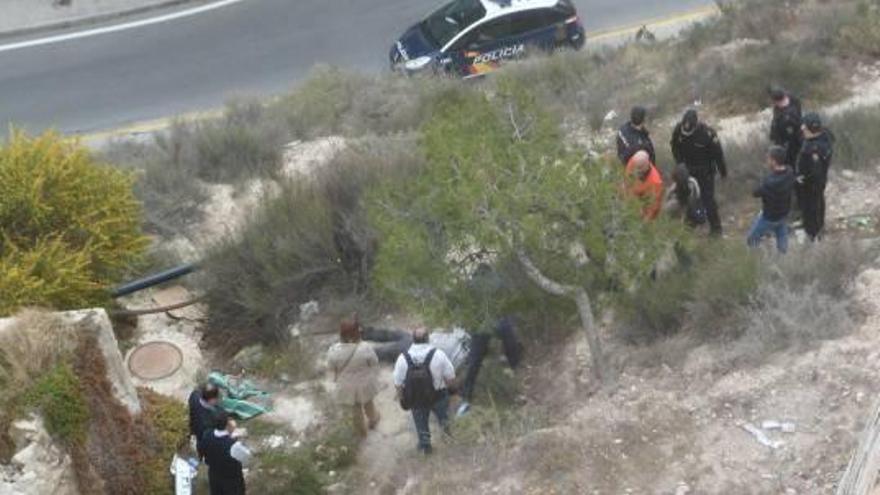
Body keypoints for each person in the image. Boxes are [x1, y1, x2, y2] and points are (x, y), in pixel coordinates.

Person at [393, 327, 456, 455]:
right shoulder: (438, 354)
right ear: (428, 338)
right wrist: (451, 391)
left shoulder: (403, 358)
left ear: (413, 339)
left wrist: (402, 399)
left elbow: (398, 383)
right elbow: (450, 377)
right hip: (438, 396)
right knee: (443, 419)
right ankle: (448, 439)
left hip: (416, 399)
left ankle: (425, 447)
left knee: (421, 425)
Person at [671, 109, 727, 235]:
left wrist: (723, 172)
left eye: (689, 130)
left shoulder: (707, 134)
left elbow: (718, 155)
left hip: (705, 172)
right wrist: (680, 164)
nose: (686, 132)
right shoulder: (679, 130)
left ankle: (716, 229)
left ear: (696, 125)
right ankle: (690, 224)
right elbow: (674, 146)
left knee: (708, 200)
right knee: (686, 198)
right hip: (687, 171)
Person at [327, 318, 381, 438]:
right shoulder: (365, 347)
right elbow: (374, 363)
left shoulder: (333, 351)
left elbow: (331, 368)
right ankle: (373, 420)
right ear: (356, 333)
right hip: (365, 384)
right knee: (368, 404)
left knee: (355, 411)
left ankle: (361, 432)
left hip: (346, 386)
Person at [747, 146, 795, 254]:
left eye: (768, 159)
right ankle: (783, 258)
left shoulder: (769, 182)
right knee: (781, 236)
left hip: (769, 217)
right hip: (783, 213)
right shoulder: (790, 172)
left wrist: (758, 182)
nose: (767, 161)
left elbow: (755, 193)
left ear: (774, 161)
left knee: (751, 239)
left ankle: (758, 260)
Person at [796, 112, 834, 241]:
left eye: (804, 126)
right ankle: (818, 228)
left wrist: (802, 179)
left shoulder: (814, 150)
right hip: (818, 182)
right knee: (818, 204)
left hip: (811, 185)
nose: (802, 128)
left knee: (811, 209)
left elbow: (815, 173)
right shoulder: (825, 137)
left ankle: (813, 234)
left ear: (811, 129)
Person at [202, 411, 252, 495]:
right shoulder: (233, 446)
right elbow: (247, 458)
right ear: (227, 424)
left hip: (214, 477)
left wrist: (231, 435)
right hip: (232, 482)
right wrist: (242, 441)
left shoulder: (207, 435)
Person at [769, 87, 803, 177]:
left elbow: (792, 130)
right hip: (786, 138)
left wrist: (780, 144)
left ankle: (792, 181)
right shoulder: (792, 99)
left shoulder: (788, 115)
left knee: (790, 163)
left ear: (777, 101)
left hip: (790, 142)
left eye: (775, 103)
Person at [625, 150, 664, 221]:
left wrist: (643, 223)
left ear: (647, 164)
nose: (637, 170)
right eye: (636, 167)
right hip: (632, 197)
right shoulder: (634, 161)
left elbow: (653, 208)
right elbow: (627, 181)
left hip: (644, 204)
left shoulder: (655, 182)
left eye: (640, 168)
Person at [188, 383, 220, 458]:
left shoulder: (194, 395)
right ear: (212, 400)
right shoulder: (208, 420)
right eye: (217, 398)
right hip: (201, 434)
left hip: (194, 425)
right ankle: (202, 455)